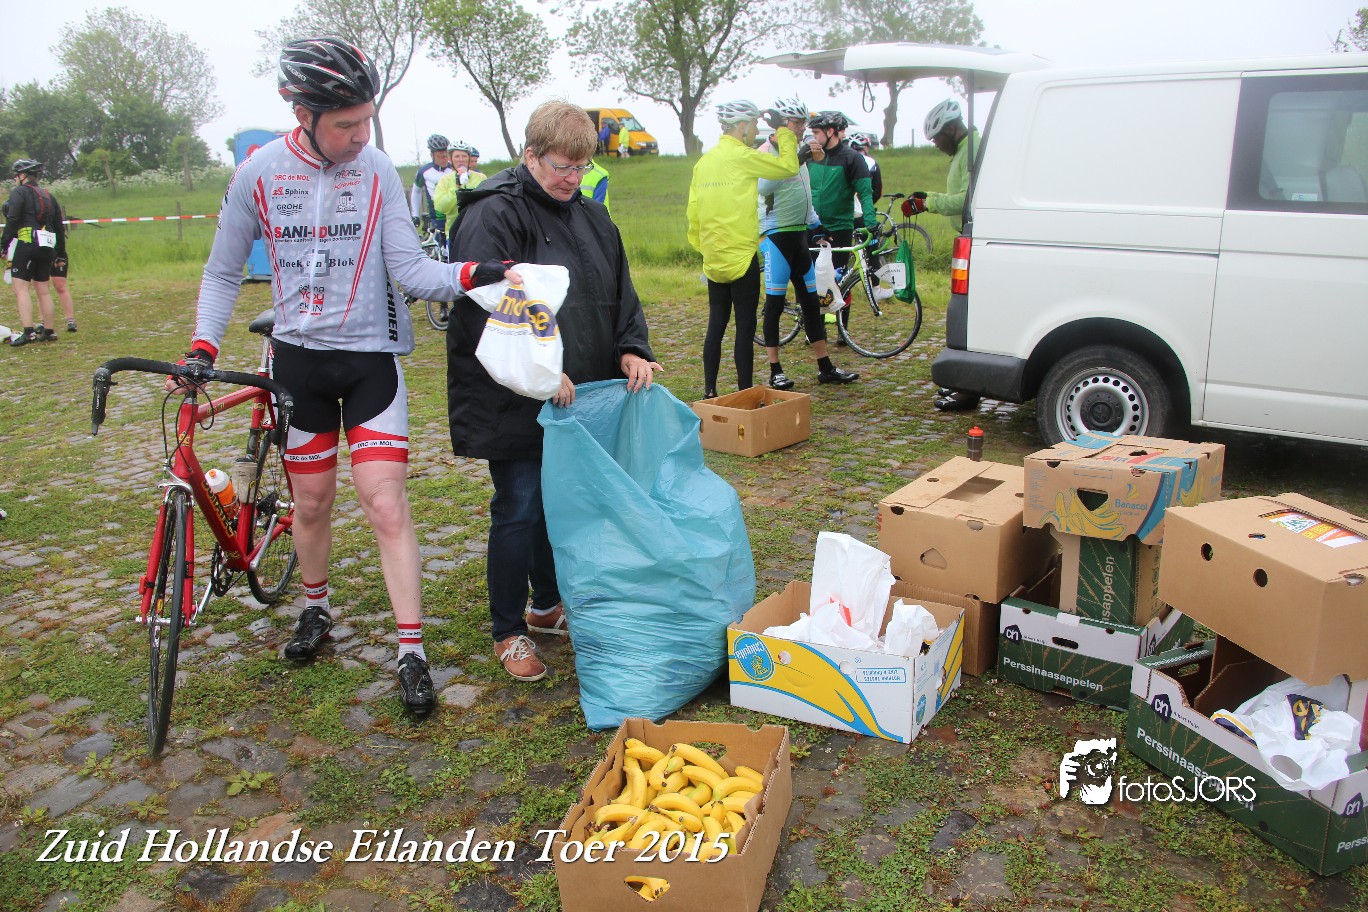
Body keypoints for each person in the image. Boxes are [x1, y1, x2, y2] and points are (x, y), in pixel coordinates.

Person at [174, 36, 519, 715]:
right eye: (346, 124)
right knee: (310, 504)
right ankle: (316, 607)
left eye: (367, 119)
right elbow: (221, 271)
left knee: (385, 504)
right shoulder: (257, 174)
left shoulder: (377, 169)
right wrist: (203, 347)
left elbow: (411, 271)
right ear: (301, 114)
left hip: (369, 363)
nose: (362, 135)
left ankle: (412, 651)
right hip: (298, 363)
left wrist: (480, 274)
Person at [446, 100, 661, 683]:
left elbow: (618, 289)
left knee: (561, 502)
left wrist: (631, 346)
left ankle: (546, 605)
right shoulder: (493, 213)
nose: (572, 179)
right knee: (519, 504)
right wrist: (541, 371)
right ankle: (507, 629)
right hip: (512, 392)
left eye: (581, 167)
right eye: (562, 167)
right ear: (530, 154)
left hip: (578, 390)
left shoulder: (592, 215)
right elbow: (488, 308)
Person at [686, 100, 798, 398]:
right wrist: (782, 130)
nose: (755, 131)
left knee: (716, 326)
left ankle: (710, 392)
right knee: (744, 329)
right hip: (742, 256)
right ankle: (745, 393)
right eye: (754, 125)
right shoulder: (744, 156)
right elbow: (788, 166)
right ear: (743, 126)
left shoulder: (703, 162)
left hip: (714, 258)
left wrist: (704, 248)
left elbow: (693, 210)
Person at [756, 97, 858, 390]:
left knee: (812, 304)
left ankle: (825, 367)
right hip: (775, 235)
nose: (802, 128)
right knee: (774, 304)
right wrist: (798, 159)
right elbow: (764, 186)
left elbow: (804, 194)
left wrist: (816, 225)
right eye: (797, 122)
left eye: (804, 122)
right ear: (781, 123)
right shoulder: (766, 152)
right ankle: (775, 369)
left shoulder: (798, 150)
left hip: (800, 233)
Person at [909, 98, 982, 412]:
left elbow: (967, 199)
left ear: (952, 129)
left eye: (937, 138)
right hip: (966, 237)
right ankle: (966, 383)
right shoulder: (964, 149)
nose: (936, 145)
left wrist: (929, 203)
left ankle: (968, 388)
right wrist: (929, 197)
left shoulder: (972, 149)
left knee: (967, 317)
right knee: (966, 314)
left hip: (974, 237)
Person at [2, 159, 64, 347]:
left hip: (27, 243)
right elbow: (59, 226)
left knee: (21, 288)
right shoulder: (48, 195)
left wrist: (3, 245)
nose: (15, 179)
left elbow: (13, 219)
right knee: (43, 290)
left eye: (16, 175)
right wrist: (60, 252)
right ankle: (49, 331)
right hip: (47, 246)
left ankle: (28, 332)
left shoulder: (19, 192)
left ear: (22, 176)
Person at [432, 140, 488, 225]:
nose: (461, 160)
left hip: (476, 226)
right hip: (454, 228)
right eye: (457, 156)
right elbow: (441, 207)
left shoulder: (480, 178)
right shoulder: (445, 180)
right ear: (450, 159)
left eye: (464, 156)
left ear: (469, 158)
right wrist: (456, 187)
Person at [410, 133, 452, 236]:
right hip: (437, 218)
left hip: (454, 216)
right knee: (439, 244)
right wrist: (415, 215)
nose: (444, 159)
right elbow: (416, 191)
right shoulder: (424, 172)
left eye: (446, 155)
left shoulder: (454, 169)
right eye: (440, 156)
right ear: (432, 155)